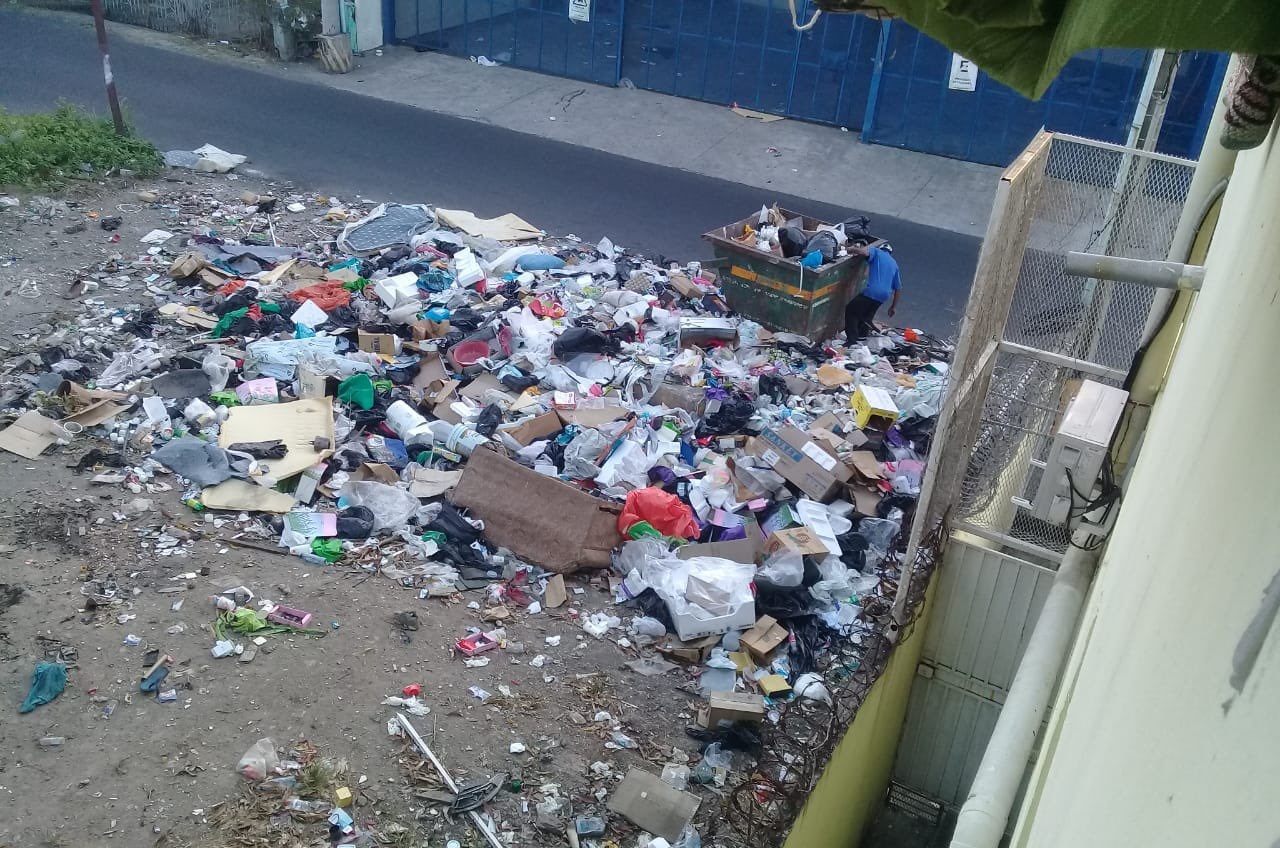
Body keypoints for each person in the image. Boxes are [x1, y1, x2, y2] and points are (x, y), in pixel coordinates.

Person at [845, 243, 901, 343]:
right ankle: (862, 337)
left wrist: (850, 249)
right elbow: (898, 288)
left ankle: (852, 341)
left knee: (851, 310)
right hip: (883, 296)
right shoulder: (894, 264)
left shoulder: (876, 251)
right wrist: (893, 307)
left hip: (872, 291)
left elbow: (863, 252)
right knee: (866, 317)